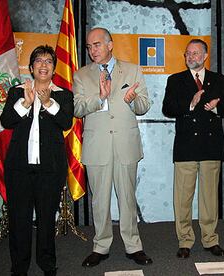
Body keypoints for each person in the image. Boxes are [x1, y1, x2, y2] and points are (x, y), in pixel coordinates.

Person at [73, 27, 152, 267]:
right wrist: (100, 97)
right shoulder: (82, 75)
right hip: (97, 146)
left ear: (110, 44)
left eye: (97, 44)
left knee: (128, 198)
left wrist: (133, 100)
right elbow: (77, 109)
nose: (92, 50)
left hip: (125, 144)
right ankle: (101, 246)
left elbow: (144, 105)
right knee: (100, 201)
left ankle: (133, 245)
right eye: (89, 46)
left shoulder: (132, 69)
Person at [0, 45, 74, 276]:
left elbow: (66, 122)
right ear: (31, 68)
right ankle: (19, 267)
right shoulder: (16, 91)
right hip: (19, 169)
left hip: (50, 170)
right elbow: (6, 121)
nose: (44, 65)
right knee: (19, 219)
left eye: (49, 61)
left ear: (53, 68)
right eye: (39, 61)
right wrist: (25, 103)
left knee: (45, 219)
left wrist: (49, 102)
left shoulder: (63, 94)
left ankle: (47, 264)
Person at [162, 39, 224, 259]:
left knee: (209, 197)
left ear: (205, 56)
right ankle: (185, 240)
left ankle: (210, 239)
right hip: (186, 146)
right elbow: (167, 108)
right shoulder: (175, 80)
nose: (191, 57)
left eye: (195, 53)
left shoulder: (219, 79)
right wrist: (191, 104)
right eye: (188, 54)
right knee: (182, 198)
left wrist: (217, 107)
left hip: (211, 146)